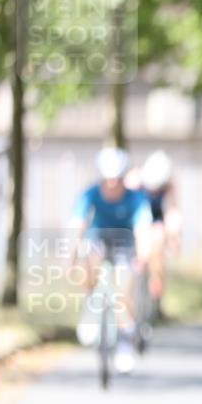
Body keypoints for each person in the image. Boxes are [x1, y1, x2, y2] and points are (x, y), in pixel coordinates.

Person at [69, 147, 152, 373]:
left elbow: (143, 230)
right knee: (89, 262)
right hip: (98, 239)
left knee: (123, 290)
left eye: (116, 179)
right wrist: (71, 256)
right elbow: (78, 225)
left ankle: (125, 343)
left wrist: (143, 257)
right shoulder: (90, 195)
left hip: (124, 244)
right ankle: (90, 306)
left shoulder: (136, 199)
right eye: (108, 179)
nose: (112, 184)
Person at [140, 150, 181, 320]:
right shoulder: (135, 181)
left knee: (158, 248)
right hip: (138, 217)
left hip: (156, 218)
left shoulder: (169, 186)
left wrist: (174, 236)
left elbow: (173, 211)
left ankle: (156, 296)